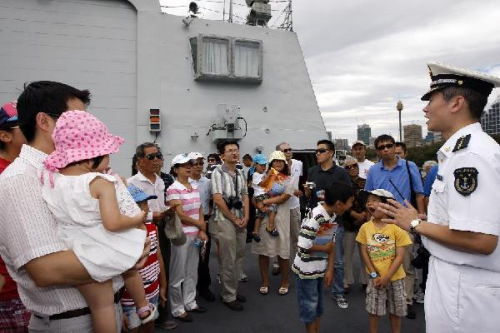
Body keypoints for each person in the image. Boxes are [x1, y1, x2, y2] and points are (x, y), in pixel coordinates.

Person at [0, 81, 146, 332]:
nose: (85, 126)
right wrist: (126, 255)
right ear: (44, 122)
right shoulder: (20, 180)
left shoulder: (76, 170)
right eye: (76, 118)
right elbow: (46, 270)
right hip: (69, 322)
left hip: (104, 310)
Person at [380, 61, 500, 333]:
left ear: (456, 103)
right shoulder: (463, 152)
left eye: (430, 99)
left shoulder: (470, 156)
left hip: (465, 291)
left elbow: (481, 240)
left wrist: (414, 224)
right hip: (457, 281)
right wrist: (427, 219)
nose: (425, 108)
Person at [40, 110, 154, 332]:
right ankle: (142, 306)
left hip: (70, 248)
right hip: (100, 245)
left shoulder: (52, 178)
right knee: (110, 301)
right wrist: (137, 218)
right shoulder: (100, 183)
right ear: (94, 156)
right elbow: (113, 223)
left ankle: (141, 307)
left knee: (98, 305)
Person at [365, 134, 425, 319]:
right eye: (381, 147)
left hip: (403, 221)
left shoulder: (409, 166)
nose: (385, 149)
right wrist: (369, 222)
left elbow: (419, 193)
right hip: (380, 221)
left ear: (394, 147)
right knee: (381, 259)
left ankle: (405, 300)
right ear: (377, 151)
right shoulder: (374, 171)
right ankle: (384, 297)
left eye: (389, 146)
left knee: (405, 263)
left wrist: (420, 220)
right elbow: (369, 197)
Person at [292, 181, 354, 333]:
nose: (350, 207)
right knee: (310, 307)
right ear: (339, 203)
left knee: (318, 307)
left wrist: (330, 269)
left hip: (318, 269)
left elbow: (331, 244)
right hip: (307, 271)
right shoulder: (316, 217)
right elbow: (303, 245)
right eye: (350, 203)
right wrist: (324, 248)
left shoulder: (331, 215)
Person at [304, 139, 351, 309]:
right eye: (316, 151)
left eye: (321, 151)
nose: (317, 154)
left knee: (336, 261)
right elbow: (308, 195)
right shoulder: (312, 171)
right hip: (315, 221)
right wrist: (307, 191)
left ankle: (338, 292)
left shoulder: (341, 173)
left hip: (333, 222)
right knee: (315, 258)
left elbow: (347, 197)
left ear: (331, 153)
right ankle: (315, 290)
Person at [357, 189, 412, 333]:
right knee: (374, 311)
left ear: (387, 205)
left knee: (396, 311)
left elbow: (400, 256)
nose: (370, 203)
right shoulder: (365, 228)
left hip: (396, 278)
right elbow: (364, 251)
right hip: (375, 278)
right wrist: (375, 275)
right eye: (368, 201)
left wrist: (387, 277)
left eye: (375, 200)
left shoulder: (397, 228)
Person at [122, 185, 171, 332]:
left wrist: (162, 286)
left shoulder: (152, 228)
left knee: (149, 328)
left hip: (153, 292)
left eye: (145, 203)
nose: (145, 208)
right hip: (129, 299)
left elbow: (159, 258)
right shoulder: (121, 236)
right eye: (138, 205)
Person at [166, 154, 208, 322]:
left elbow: (199, 208)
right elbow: (180, 214)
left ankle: (190, 302)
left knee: (192, 271)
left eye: (190, 165)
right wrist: (199, 225)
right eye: (184, 166)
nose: (189, 168)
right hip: (181, 236)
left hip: (196, 234)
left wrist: (201, 229)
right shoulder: (173, 189)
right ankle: (177, 308)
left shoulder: (194, 186)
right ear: (176, 170)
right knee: (178, 274)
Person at [0, 100, 30, 331]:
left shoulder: (26, 169)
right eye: (24, 125)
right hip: (7, 293)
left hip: (28, 288)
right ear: (4, 136)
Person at [210, 140, 250, 311]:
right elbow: (218, 199)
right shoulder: (217, 172)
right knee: (228, 258)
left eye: (236, 150)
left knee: (239, 255)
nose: (234, 153)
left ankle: (232, 289)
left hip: (241, 219)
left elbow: (245, 196)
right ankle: (228, 296)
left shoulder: (240, 173)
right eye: (230, 150)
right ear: (222, 155)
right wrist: (234, 218)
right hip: (224, 220)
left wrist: (247, 216)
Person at [252, 151, 294, 295]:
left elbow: (284, 197)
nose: (278, 163)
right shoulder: (265, 177)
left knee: (282, 253)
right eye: (275, 161)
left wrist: (265, 201)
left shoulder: (288, 179)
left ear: (285, 164)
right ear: (271, 163)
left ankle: (285, 281)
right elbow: (255, 196)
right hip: (264, 217)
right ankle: (265, 281)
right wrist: (259, 204)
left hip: (281, 218)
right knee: (263, 251)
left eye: (280, 161)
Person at [189, 152, 216, 303]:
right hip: (188, 222)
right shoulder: (184, 182)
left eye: (201, 163)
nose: (199, 166)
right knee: (189, 258)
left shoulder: (207, 182)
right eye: (195, 163)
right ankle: (189, 289)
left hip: (204, 221)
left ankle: (204, 287)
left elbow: (212, 199)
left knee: (203, 257)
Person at [342, 156, 369, 292]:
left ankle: (366, 280)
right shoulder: (342, 185)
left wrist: (363, 215)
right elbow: (341, 204)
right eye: (348, 167)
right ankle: (346, 281)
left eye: (354, 166)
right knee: (347, 255)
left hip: (364, 223)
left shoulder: (366, 182)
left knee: (365, 254)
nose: (352, 168)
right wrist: (355, 215)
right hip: (348, 224)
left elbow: (370, 201)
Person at [277, 142, 303, 260]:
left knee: (296, 236)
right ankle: (278, 262)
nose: (288, 152)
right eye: (285, 150)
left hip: (294, 206)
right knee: (280, 237)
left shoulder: (298, 164)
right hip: (280, 207)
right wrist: (293, 190)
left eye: (289, 149)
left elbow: (299, 179)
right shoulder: (276, 167)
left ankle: (298, 262)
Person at [251, 154, 280, 241]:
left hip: (265, 195)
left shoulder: (263, 173)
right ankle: (270, 227)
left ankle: (255, 232)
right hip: (260, 196)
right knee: (273, 208)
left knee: (260, 215)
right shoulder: (255, 175)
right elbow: (262, 184)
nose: (264, 167)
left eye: (265, 165)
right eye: (261, 165)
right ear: (255, 165)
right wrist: (268, 175)